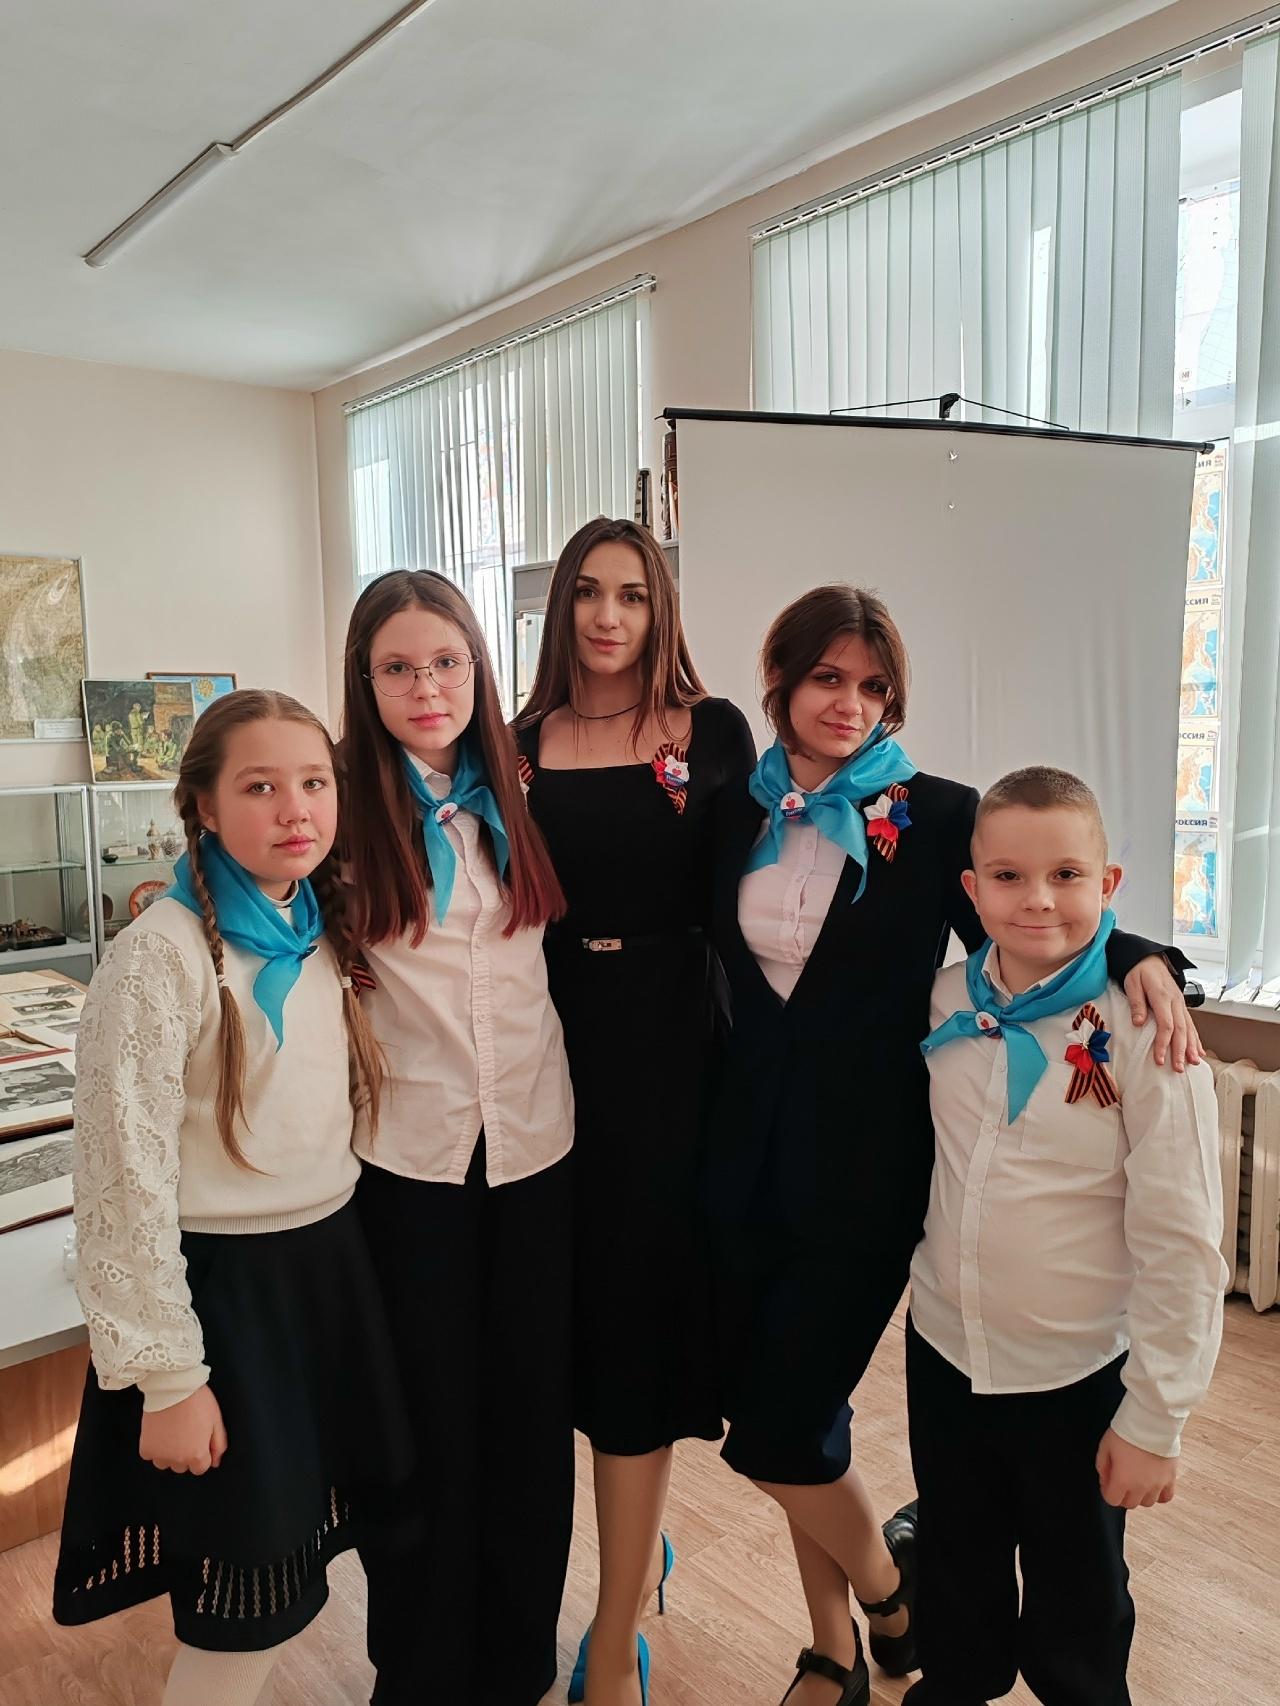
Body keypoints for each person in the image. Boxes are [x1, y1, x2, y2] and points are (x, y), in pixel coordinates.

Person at [706, 586, 1200, 1706]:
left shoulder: (936, 816)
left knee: (784, 1425)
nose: (850, 702)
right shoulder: (734, 810)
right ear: (778, 679)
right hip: (740, 1166)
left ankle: (891, 1594)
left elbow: (1039, 924)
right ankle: (836, 1644)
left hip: (870, 1180)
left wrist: (1145, 959)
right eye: (827, 677)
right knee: (791, 1419)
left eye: (873, 685)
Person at [53, 689, 412, 1706]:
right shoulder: (159, 954)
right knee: (244, 1599)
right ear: (204, 807)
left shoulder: (321, 926)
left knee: (300, 1567)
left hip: (324, 1279)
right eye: (259, 787)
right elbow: (120, 1176)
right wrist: (168, 1378)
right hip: (229, 1303)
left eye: (314, 782)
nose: (295, 809)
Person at [904, 766, 1227, 1706]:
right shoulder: (940, 1002)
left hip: (1077, 1374)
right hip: (946, 1351)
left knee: (1078, 1607)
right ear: (972, 890)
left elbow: (1182, 1237)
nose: (1038, 899)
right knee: (956, 1577)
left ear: (1108, 885)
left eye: (1067, 876)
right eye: (1008, 877)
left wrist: (1157, 1418)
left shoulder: (1149, 1033)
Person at [514, 517, 756, 1706]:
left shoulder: (710, 731)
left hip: (667, 1059)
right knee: (552, 1337)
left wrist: (1117, 949)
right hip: (539, 1052)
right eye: (586, 593)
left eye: (631, 594)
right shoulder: (513, 742)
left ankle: (613, 1632)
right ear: (559, 607)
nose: (607, 616)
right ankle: (612, 1562)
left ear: (659, 610)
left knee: (633, 1345)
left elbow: (774, 891)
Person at [338, 569, 575, 1706]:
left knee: (529, 1419)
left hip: (535, 1149)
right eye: (398, 667)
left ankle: (518, 1659)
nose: (426, 686)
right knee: (424, 1425)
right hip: (410, 1160)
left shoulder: (519, 790)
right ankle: (423, 1667)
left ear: (478, 665)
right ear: (365, 680)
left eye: (446, 661)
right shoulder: (338, 807)